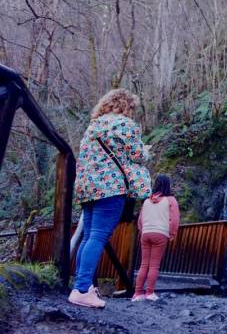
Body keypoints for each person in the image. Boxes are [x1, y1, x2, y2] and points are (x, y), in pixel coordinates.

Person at [68, 89, 151, 308]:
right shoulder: (126, 125)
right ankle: (82, 289)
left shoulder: (93, 126)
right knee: (98, 237)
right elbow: (137, 156)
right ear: (127, 106)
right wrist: (146, 150)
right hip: (111, 187)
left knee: (88, 237)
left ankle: (81, 286)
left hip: (87, 188)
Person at [132, 175, 180, 302]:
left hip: (146, 233)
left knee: (144, 264)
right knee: (154, 265)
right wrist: (172, 233)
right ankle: (149, 293)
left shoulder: (147, 201)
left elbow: (140, 220)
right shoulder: (171, 200)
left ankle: (137, 294)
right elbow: (174, 219)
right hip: (160, 234)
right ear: (167, 185)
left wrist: (143, 231)